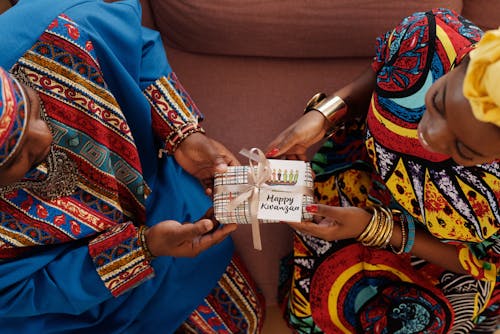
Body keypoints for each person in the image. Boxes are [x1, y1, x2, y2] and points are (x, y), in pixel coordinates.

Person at [0, 0, 264, 333]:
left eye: (34, 108)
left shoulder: (59, 28)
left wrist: (183, 134)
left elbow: (137, 50)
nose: (45, 137)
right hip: (74, 312)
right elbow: (26, 292)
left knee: (247, 322)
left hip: (170, 207)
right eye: (17, 155)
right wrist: (143, 248)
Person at [266, 8, 499, 333]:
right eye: (439, 102)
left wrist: (376, 229)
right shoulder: (429, 39)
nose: (429, 136)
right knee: (321, 295)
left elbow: (485, 264)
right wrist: (325, 115)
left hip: (438, 259)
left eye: (463, 150)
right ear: (463, 60)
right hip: (358, 175)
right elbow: (383, 73)